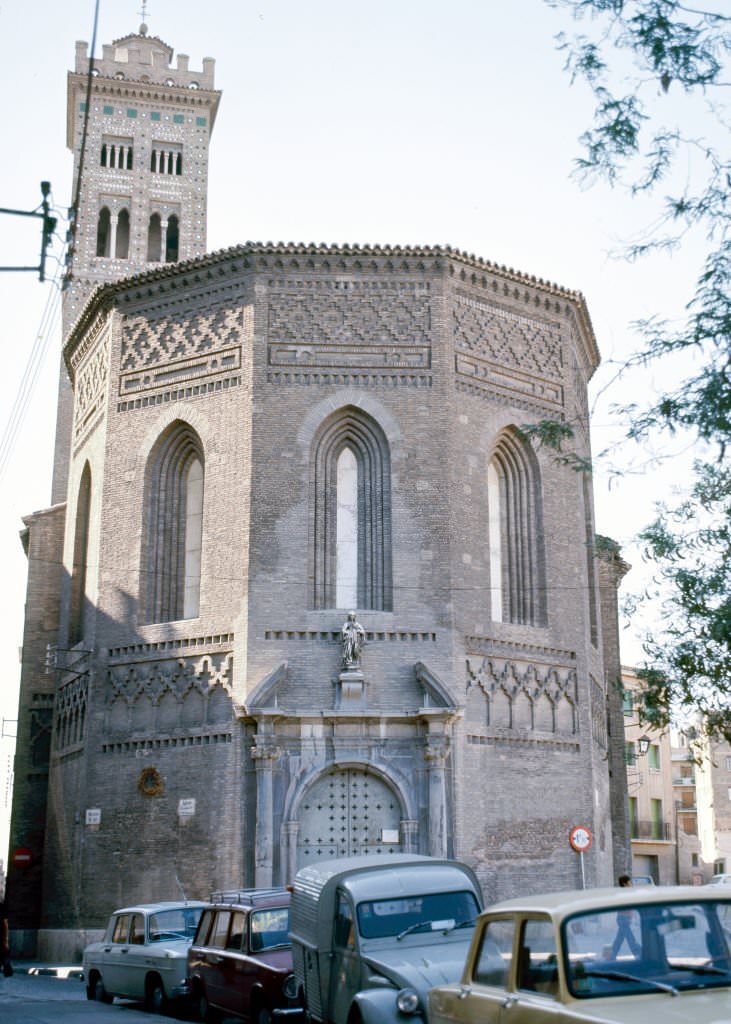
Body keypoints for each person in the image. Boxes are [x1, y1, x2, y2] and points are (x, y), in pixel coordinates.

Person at [610, 875, 641, 959]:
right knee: (630, 938)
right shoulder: (623, 893)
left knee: (620, 939)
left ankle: (611, 955)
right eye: (629, 882)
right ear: (624, 884)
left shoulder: (627, 893)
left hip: (625, 918)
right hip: (623, 919)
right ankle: (638, 953)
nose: (631, 884)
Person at [0, 899, 12, 977]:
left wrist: (6, 939)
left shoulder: (1, 907)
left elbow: (5, 924)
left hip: (0, 937)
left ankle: (7, 970)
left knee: (4, 954)